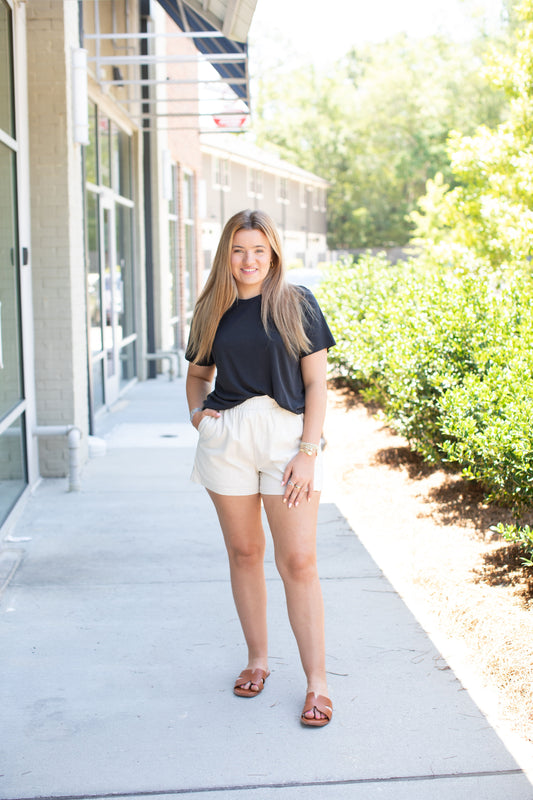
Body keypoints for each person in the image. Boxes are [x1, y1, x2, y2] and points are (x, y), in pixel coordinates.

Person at [185, 209, 335, 727]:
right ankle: (257, 661)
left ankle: (317, 683)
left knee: (298, 562)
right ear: (226, 254)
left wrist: (309, 451)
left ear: (272, 253)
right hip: (227, 439)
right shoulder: (212, 308)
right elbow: (198, 375)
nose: (248, 261)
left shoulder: (296, 304)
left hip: (286, 441)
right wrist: (198, 417)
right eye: (238, 250)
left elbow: (316, 384)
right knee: (244, 553)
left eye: (258, 250)